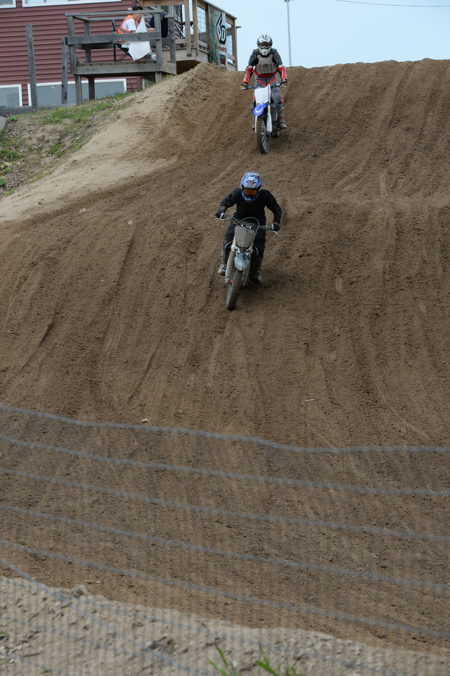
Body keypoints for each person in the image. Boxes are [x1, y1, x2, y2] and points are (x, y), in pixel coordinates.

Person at [215, 172, 281, 284]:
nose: (249, 194)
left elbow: (276, 209)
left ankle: (256, 271)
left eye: (253, 191)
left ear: (258, 189)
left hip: (258, 222)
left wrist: (276, 222)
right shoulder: (237, 193)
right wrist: (221, 211)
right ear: (242, 188)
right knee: (228, 240)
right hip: (239, 219)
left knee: (259, 246)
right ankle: (225, 264)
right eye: (247, 191)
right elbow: (225, 202)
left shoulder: (265, 195)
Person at [241, 34, 288, 129]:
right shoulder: (255, 53)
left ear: (270, 44)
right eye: (262, 45)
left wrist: (284, 79)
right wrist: (245, 82)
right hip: (259, 79)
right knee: (255, 101)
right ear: (258, 44)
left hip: (272, 78)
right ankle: (256, 122)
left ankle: (280, 120)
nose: (264, 47)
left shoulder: (274, 53)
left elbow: (281, 68)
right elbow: (249, 69)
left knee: (277, 97)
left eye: (266, 44)